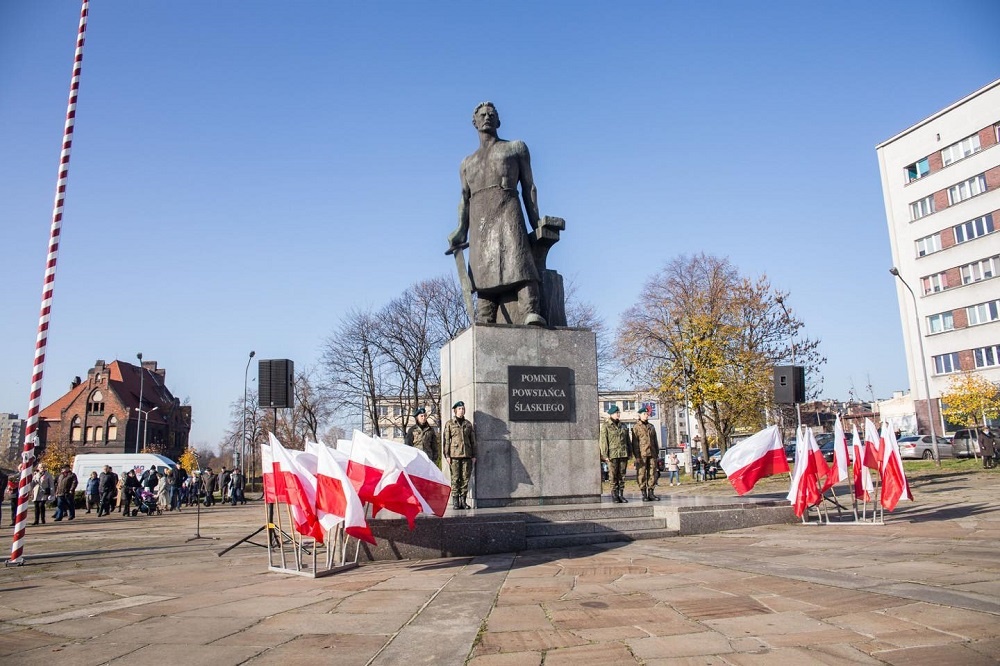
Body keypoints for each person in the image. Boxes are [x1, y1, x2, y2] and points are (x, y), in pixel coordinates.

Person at [448, 102, 546, 326]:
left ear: (499, 121)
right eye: (481, 115)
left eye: (491, 114)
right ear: (474, 122)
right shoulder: (467, 163)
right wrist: (461, 230)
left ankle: (531, 310)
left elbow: (529, 187)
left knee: (519, 260)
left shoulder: (515, 148)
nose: (486, 117)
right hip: (479, 219)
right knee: (483, 273)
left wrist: (536, 223)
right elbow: (464, 198)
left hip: (507, 210)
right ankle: (485, 319)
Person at [442, 401, 476, 510]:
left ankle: (463, 501)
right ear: (455, 410)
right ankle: (456, 502)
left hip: (467, 454)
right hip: (454, 455)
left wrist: (474, 455)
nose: (462, 410)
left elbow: (473, 441)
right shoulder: (450, 424)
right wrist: (447, 455)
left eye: (463, 408)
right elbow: (446, 440)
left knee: (465, 479)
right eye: (460, 408)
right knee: (455, 479)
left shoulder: (468, 424)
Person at [599, 405, 631, 503]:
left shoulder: (623, 425)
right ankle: (614, 494)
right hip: (612, 454)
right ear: (611, 414)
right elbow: (603, 441)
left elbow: (627, 440)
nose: (618, 414)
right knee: (613, 475)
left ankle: (621, 494)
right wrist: (605, 455)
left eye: (619, 413)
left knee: (622, 475)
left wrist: (629, 452)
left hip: (623, 453)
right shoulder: (606, 425)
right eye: (616, 413)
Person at [631, 406, 660, 502]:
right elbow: (635, 443)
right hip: (642, 454)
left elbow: (655, 441)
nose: (646, 415)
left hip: (652, 453)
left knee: (653, 473)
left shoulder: (651, 426)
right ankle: (644, 493)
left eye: (647, 414)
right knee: (641, 474)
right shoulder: (636, 427)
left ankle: (651, 492)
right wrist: (637, 456)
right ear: (640, 415)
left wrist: (657, 452)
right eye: (644, 414)